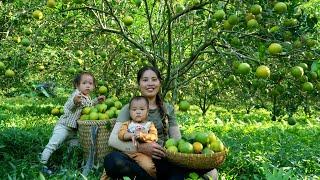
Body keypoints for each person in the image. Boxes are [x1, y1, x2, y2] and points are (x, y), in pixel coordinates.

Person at [103, 66, 218, 180]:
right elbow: (113, 140)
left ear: (159, 82)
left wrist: (195, 151)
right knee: (112, 161)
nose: (150, 83)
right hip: (136, 159)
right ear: (139, 84)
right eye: (145, 80)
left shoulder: (168, 109)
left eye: (154, 79)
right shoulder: (129, 108)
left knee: (209, 171)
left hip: (162, 160)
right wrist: (142, 148)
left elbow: (177, 140)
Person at [40, 72, 106, 175]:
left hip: (73, 130)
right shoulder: (76, 95)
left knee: (74, 147)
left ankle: (68, 165)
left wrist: (97, 100)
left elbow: (88, 105)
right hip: (64, 126)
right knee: (52, 145)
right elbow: (70, 106)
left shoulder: (87, 97)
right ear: (77, 85)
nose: (88, 85)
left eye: (90, 83)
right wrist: (75, 102)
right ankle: (41, 165)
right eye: (84, 83)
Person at [118, 96, 158, 178]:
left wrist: (142, 136)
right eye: (134, 109)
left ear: (147, 112)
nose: (138, 112)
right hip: (126, 152)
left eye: (142, 109)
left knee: (149, 167)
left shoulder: (149, 125)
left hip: (142, 154)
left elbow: (154, 137)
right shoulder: (127, 123)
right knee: (110, 165)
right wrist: (130, 135)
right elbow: (121, 134)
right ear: (129, 112)